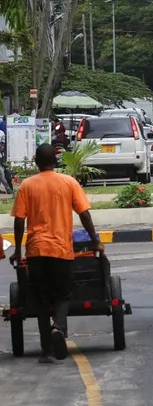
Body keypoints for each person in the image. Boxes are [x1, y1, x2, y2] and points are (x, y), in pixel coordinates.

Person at [9, 143, 102, 364]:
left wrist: (19, 250)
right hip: (61, 251)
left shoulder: (27, 185)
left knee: (41, 301)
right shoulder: (68, 182)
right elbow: (84, 215)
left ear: (35, 161)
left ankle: (47, 352)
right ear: (55, 160)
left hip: (36, 251)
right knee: (62, 295)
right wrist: (95, 241)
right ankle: (57, 327)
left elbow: (20, 220)